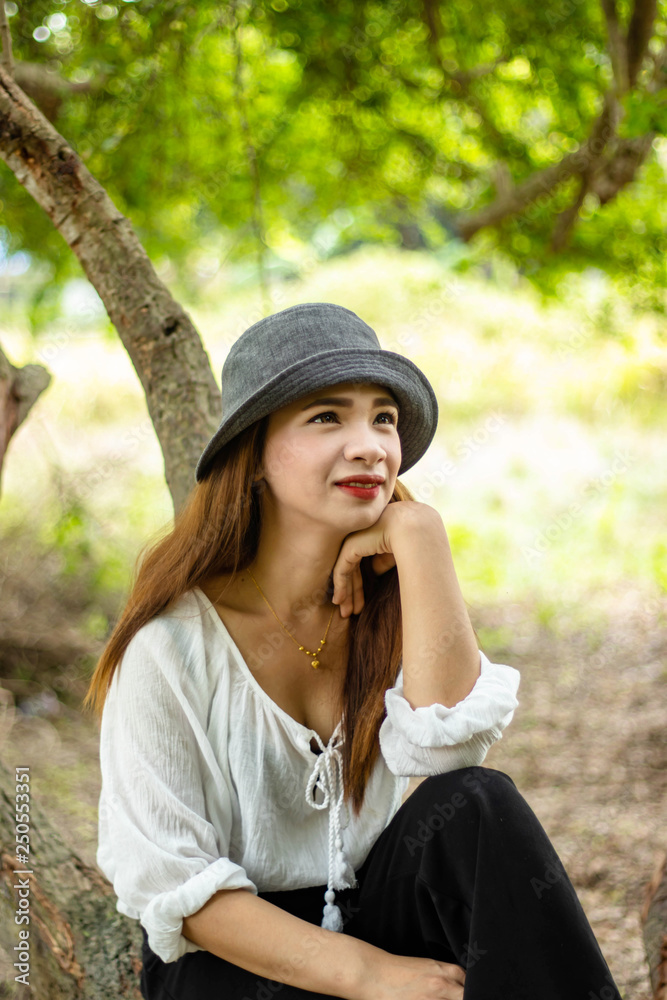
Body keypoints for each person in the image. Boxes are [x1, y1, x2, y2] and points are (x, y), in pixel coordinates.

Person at [85, 302, 623, 1000]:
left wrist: (420, 536)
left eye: (383, 419)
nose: (370, 445)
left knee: (476, 803)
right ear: (253, 452)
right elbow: (178, 888)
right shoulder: (171, 648)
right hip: (235, 960)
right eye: (326, 417)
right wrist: (371, 976)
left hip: (374, 911)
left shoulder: (392, 606)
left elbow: (446, 755)